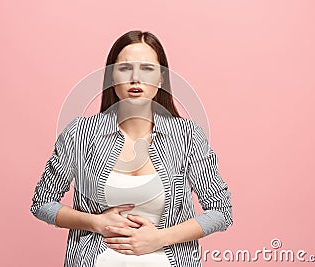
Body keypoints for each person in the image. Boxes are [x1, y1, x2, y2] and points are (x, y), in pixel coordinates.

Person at [30, 30, 233, 267]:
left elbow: (221, 211)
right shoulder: (79, 133)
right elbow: (42, 203)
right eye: (125, 68)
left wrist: (159, 238)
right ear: (111, 77)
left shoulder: (188, 136)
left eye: (147, 68)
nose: (136, 78)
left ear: (160, 79)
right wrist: (96, 223)